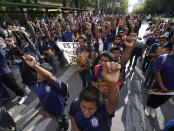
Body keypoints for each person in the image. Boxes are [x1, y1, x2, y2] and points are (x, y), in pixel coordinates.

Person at [69, 62, 121, 131]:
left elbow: (113, 102)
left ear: (98, 105)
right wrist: (76, 128)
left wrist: (113, 84)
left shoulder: (103, 109)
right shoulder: (75, 103)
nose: (86, 112)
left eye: (91, 109)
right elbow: (72, 115)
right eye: (83, 107)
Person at [23, 55, 68, 130]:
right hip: (49, 109)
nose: (38, 76)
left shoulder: (54, 83)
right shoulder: (39, 83)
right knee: (57, 120)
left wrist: (34, 66)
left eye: (40, 74)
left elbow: (49, 77)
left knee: (62, 120)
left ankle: (65, 127)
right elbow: (41, 96)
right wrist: (43, 109)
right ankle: (60, 124)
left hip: (59, 109)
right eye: (37, 73)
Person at [144, 44, 174, 118]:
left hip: (171, 89)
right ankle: (148, 107)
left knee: (161, 100)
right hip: (158, 85)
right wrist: (162, 86)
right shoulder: (163, 57)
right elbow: (157, 71)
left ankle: (153, 108)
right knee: (153, 97)